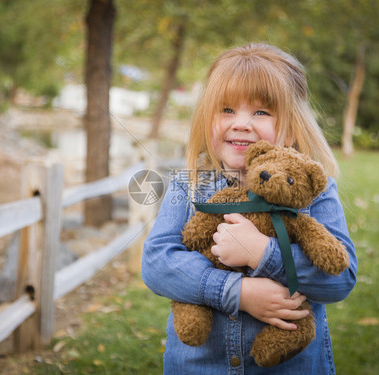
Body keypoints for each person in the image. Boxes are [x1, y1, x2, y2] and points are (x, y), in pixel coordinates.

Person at [141, 43, 357, 375]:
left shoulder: (315, 191)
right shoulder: (189, 184)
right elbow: (157, 262)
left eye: (261, 112)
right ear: (207, 118)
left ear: (292, 127)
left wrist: (264, 253)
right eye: (226, 110)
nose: (241, 123)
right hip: (199, 367)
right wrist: (237, 292)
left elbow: (340, 278)